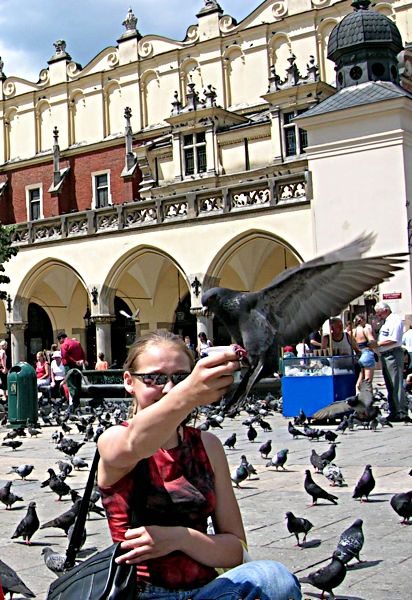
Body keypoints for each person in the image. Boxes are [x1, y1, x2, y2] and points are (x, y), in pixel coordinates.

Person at [97, 331, 301, 600]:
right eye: (155, 378)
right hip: (143, 593)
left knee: (275, 579)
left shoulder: (208, 445)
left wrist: (180, 538)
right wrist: (189, 393)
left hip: (206, 592)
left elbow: (235, 551)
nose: (169, 388)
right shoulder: (113, 441)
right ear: (129, 382)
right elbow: (139, 443)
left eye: (180, 378)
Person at [374, 302, 410, 422]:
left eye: (378, 312)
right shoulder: (388, 321)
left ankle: (400, 412)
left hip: (393, 354)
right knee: (390, 384)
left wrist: (377, 344)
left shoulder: (394, 320)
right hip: (386, 355)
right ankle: (394, 411)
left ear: (385, 310)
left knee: (396, 384)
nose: (377, 315)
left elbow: (393, 339)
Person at [353, 314, 377, 391]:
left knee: (360, 379)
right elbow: (372, 341)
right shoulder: (365, 330)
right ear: (362, 321)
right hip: (367, 353)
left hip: (358, 355)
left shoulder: (353, 331)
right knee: (368, 381)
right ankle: (368, 399)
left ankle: (359, 394)